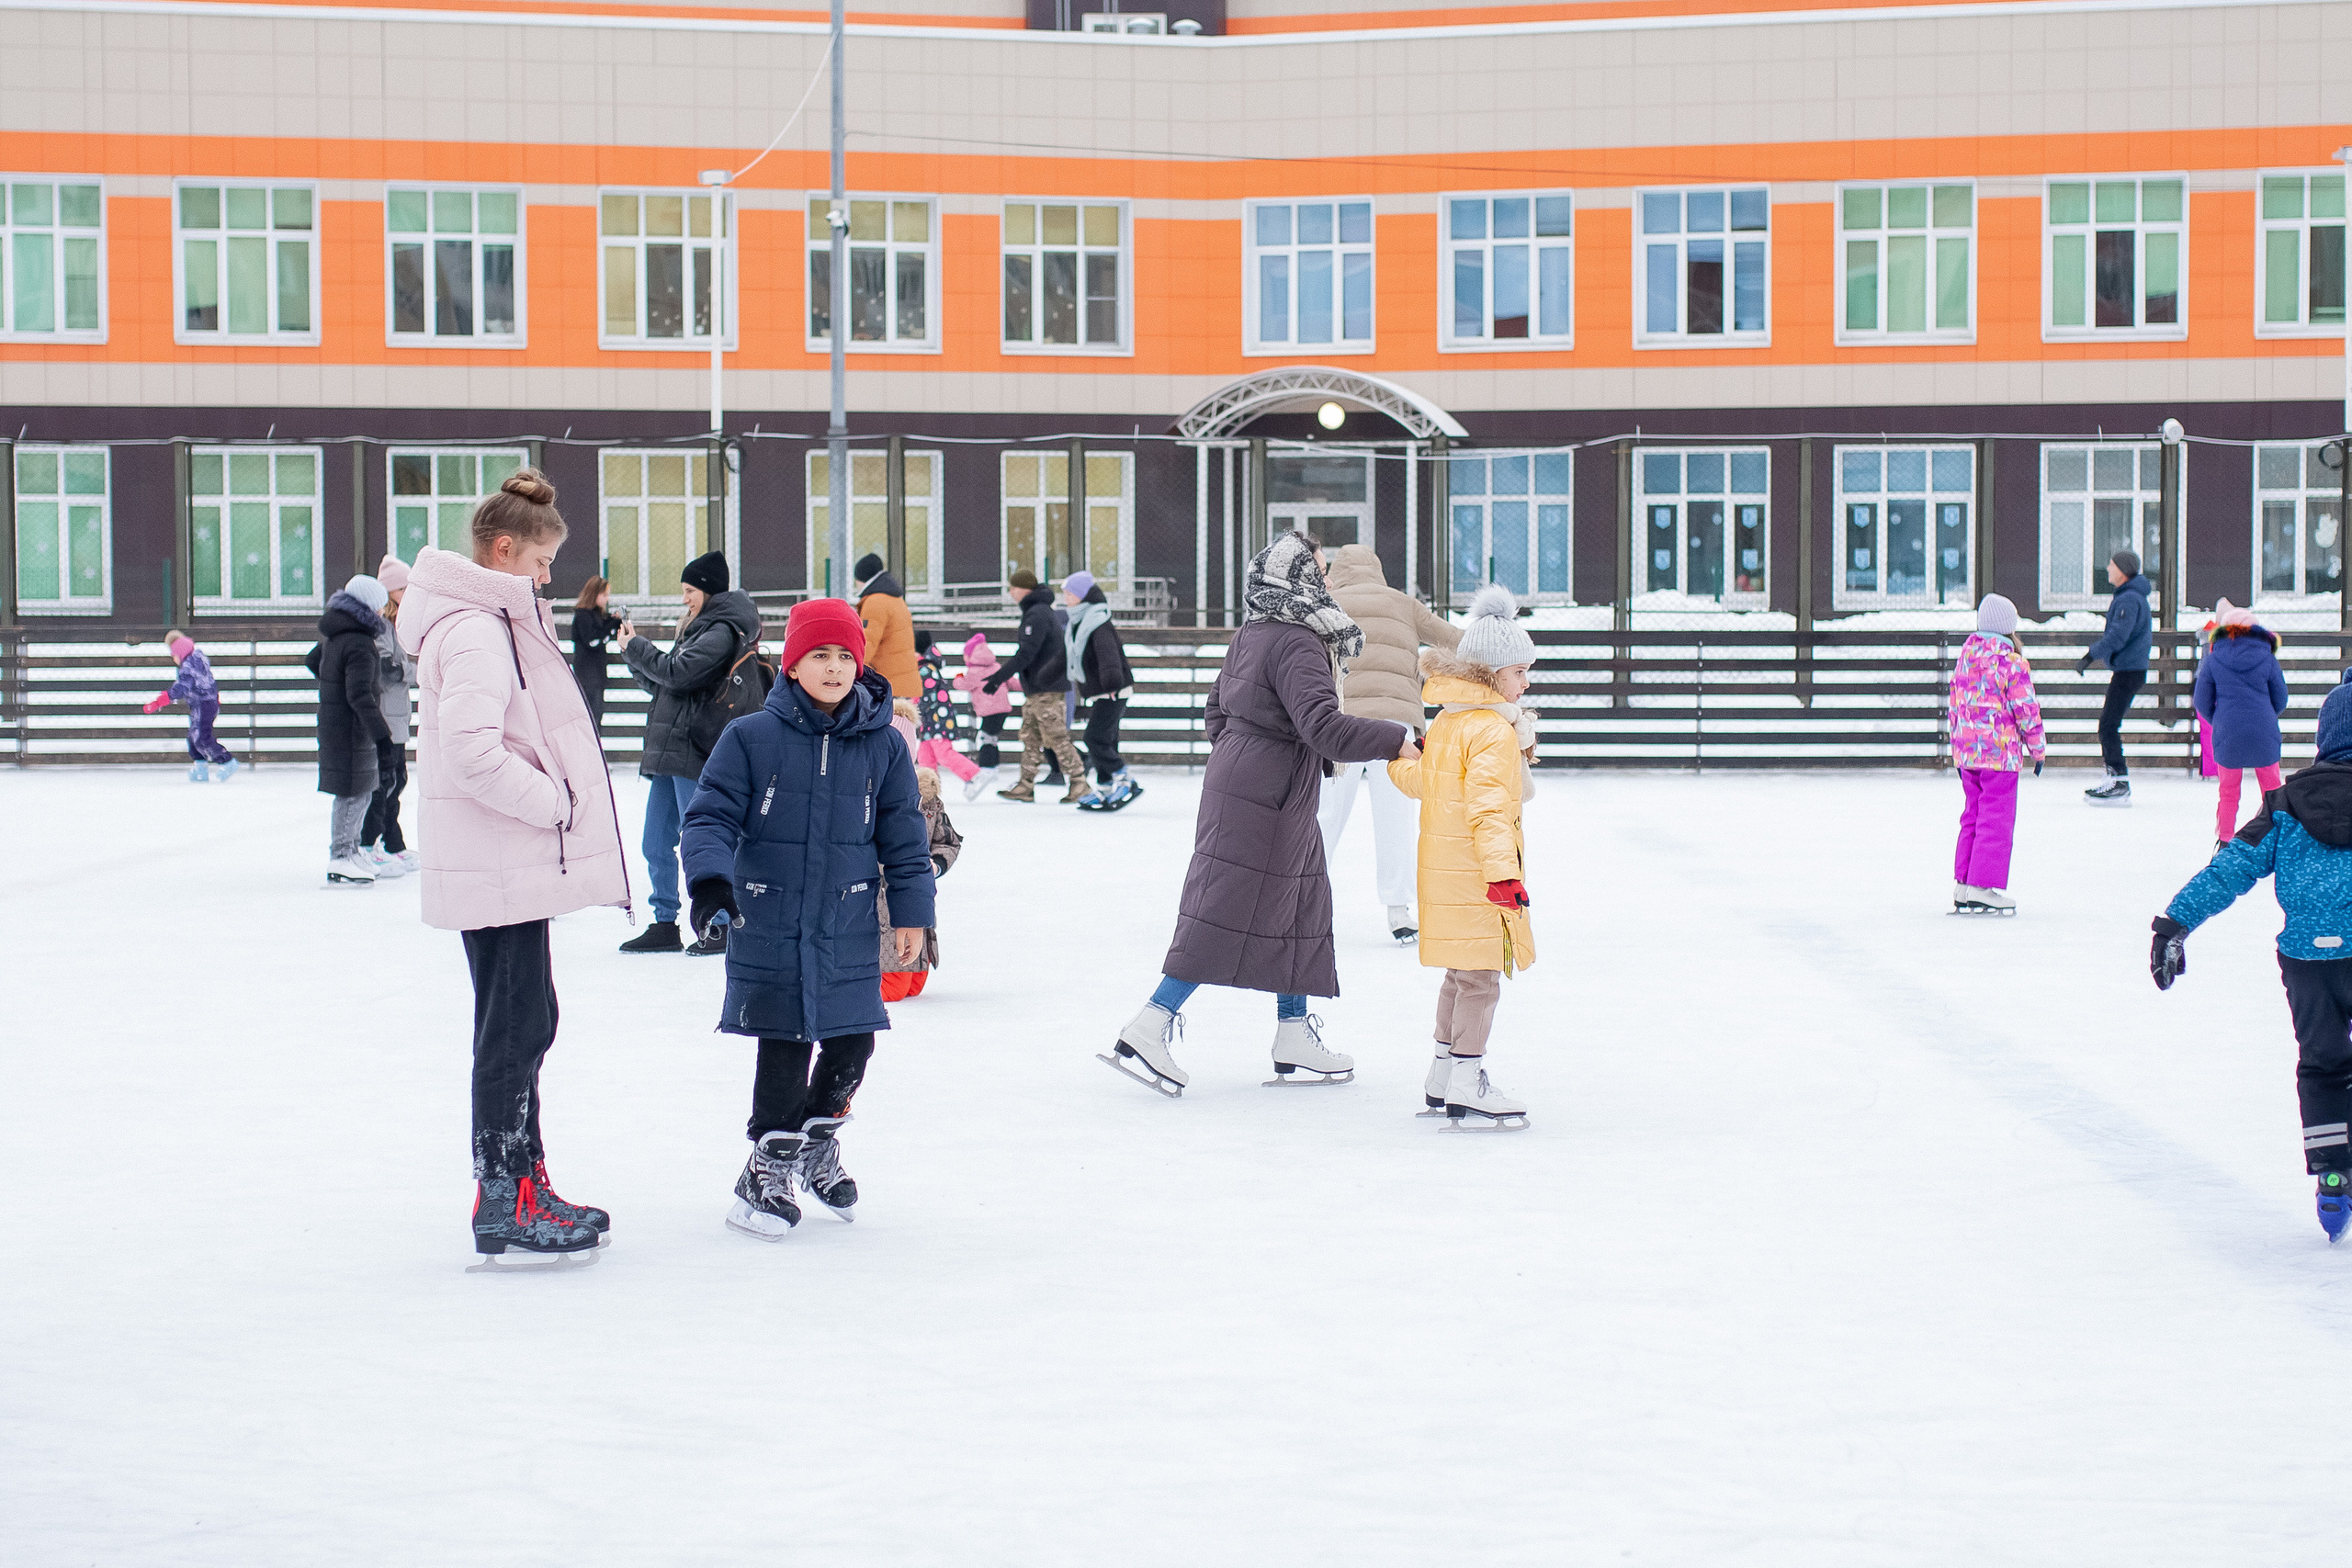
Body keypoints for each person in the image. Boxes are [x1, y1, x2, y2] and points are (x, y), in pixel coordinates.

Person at [398, 468, 629, 1262]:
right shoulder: (475, 630)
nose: (546, 580)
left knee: (527, 1022)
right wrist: (558, 800)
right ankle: (503, 1194)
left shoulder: (482, 622)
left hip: (503, 865)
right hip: (497, 861)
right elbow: (471, 753)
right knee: (512, 1031)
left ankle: (524, 1180)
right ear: (503, 551)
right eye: (539, 565)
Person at [1104, 533, 1417, 1096]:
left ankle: (1293, 1031)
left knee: (1298, 902)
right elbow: (1322, 727)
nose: (1325, 584)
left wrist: (1243, 753)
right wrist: (1398, 739)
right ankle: (1150, 1023)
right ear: (1296, 580)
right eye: (1317, 574)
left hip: (1254, 781)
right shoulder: (1297, 641)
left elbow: (1216, 708)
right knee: (1226, 906)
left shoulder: (1254, 631)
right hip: (1267, 790)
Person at [679, 597, 936, 1241]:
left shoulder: (883, 746)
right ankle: (766, 1165)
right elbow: (709, 816)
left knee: (855, 1040)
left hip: (848, 924)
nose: (833, 667)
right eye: (818, 655)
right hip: (769, 917)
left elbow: (906, 838)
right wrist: (710, 883)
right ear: (792, 665)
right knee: (785, 1045)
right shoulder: (752, 739)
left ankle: (816, 1143)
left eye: (844, 655)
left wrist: (914, 914)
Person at [2152, 682, 2352, 1242]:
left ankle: (2333, 1173)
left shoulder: (2285, 804)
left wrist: (2175, 922)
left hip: (2308, 962)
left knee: (2322, 1065)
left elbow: (2231, 868)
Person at [1388, 584, 1538, 1127]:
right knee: (1480, 982)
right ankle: (1468, 1079)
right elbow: (1489, 812)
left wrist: (1400, 758)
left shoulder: (1450, 721)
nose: (1527, 681)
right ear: (1494, 674)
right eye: (1520, 671)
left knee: (1459, 977)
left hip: (1444, 877)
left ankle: (1442, 1071)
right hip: (1476, 876)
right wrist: (1503, 876)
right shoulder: (1492, 731)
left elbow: (1424, 783)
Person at [616, 550, 762, 955]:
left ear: (709, 591)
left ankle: (719, 923)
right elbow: (667, 685)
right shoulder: (699, 628)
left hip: (696, 750)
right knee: (654, 842)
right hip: (672, 752)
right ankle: (665, 922)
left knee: (702, 840)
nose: (684, 599)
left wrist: (639, 647)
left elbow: (677, 674)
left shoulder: (719, 631)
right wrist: (633, 653)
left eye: (689, 591)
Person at [1318, 542, 1464, 942]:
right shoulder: (1403, 603)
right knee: (1396, 816)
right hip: (1396, 727)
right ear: (1378, 570)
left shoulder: (1326, 601)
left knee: (1325, 817)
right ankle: (1399, 911)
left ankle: (1305, 901)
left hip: (1339, 725)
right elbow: (1452, 639)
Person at [1946, 592, 2046, 915]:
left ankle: (1964, 884)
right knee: (1996, 819)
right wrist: (2038, 748)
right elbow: (2026, 709)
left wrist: (1957, 749)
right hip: (2000, 757)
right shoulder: (2010, 661)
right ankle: (1982, 886)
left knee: (1972, 816)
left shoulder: (1966, 656)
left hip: (1968, 754)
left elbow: (1955, 707)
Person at [312, 573, 393, 886]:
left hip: (339, 725)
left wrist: (331, 686)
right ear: (368, 607)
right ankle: (342, 856)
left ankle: (350, 849)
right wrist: (382, 736)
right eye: (381, 607)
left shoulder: (337, 636)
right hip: (350, 728)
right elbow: (360, 695)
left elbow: (313, 661)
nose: (383, 613)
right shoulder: (358, 642)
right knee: (352, 793)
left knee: (359, 791)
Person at [983, 569, 1087, 804]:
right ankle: (1025, 785)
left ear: (1024, 589)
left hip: (1046, 688)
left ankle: (1080, 782)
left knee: (1057, 738)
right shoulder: (1035, 611)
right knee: (1030, 737)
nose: (1010, 592)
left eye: (1013, 587)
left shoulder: (1037, 614)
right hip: (1037, 688)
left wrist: (999, 677)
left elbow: (1027, 653)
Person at [2195, 600, 2290, 852]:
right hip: (2263, 730)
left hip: (2228, 731)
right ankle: (2275, 837)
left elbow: (2201, 701)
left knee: (2228, 790)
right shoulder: (2267, 658)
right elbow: (2281, 697)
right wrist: (2267, 715)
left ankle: (2225, 840)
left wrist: (2221, 720)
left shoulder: (2214, 659)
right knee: (2271, 788)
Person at [2075, 547, 2152, 807]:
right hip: (2128, 669)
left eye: (2111, 565)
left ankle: (2119, 781)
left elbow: (2119, 635)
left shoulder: (2130, 599)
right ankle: (2116, 778)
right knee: (2108, 725)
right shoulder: (2130, 596)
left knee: (2108, 726)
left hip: (2129, 671)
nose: (2107, 569)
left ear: (2123, 570)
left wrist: (2090, 655)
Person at [880, 761, 963, 1001]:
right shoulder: (875, 794)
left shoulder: (929, 799)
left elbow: (947, 841)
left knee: (913, 986)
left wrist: (936, 865)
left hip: (916, 887)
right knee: (893, 987)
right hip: (883, 888)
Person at [361, 554, 420, 879]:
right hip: (386, 715)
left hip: (396, 716)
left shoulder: (394, 626)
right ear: (391, 591)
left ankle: (390, 843)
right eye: (404, 588)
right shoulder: (382, 628)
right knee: (386, 782)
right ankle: (369, 843)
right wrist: (419, 671)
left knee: (395, 780)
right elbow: (388, 669)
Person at [1062, 570, 1139, 810]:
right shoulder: (1081, 620)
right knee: (1106, 739)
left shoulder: (1097, 622)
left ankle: (1125, 779)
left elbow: (1109, 658)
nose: (1065, 597)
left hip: (1113, 690)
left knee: (1093, 737)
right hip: (1102, 691)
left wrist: (1113, 684)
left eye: (1069, 593)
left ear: (1082, 595)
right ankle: (1105, 788)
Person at [142, 629, 239, 783]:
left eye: (173, 654)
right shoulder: (197, 661)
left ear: (180, 653)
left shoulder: (189, 667)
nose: (172, 658)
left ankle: (226, 761)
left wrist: (163, 699)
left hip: (204, 705)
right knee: (193, 737)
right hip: (204, 704)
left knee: (202, 738)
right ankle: (200, 766)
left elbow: (182, 687)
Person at [911, 632, 979, 790]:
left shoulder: (926, 669)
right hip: (929, 723)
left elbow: (927, 697)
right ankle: (929, 790)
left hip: (938, 720)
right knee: (925, 757)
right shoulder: (922, 667)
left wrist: (912, 708)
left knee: (943, 753)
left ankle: (974, 774)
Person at [954, 630, 1015, 799]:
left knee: (986, 738)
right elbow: (1011, 682)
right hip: (1003, 710)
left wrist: (957, 677)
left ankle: (987, 768)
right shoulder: (996, 667)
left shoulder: (974, 673)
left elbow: (963, 685)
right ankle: (993, 767)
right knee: (992, 738)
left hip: (989, 711)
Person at [854, 551, 920, 700]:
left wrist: (851, 669)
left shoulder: (875, 602)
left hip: (888, 684)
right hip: (903, 683)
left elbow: (866, 645)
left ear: (861, 578)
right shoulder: (894, 599)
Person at [570, 576, 622, 733]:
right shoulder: (583, 616)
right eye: (604, 595)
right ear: (594, 594)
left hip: (596, 675)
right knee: (591, 717)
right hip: (587, 676)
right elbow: (593, 640)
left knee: (596, 715)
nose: (607, 599)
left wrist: (613, 622)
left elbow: (603, 633)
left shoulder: (596, 615)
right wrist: (611, 625)